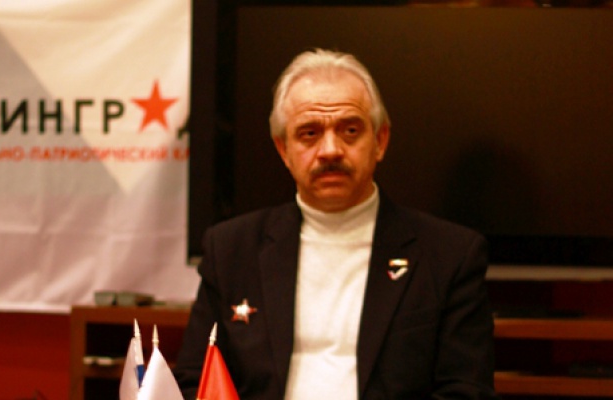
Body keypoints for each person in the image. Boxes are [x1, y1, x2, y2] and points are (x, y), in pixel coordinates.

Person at [174, 48, 498, 399]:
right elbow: (195, 383)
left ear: (380, 141)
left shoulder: (449, 255)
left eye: (350, 130)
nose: (330, 150)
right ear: (283, 150)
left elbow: (467, 392)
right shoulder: (231, 249)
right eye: (309, 133)